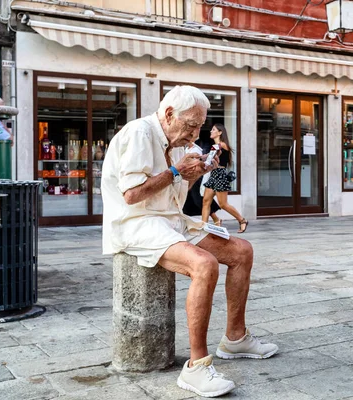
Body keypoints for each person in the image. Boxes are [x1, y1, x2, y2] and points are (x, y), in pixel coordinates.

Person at [101, 85, 278, 398]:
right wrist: (174, 171)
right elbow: (131, 195)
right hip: (135, 223)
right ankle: (197, 366)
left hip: (170, 221)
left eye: (200, 126)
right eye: (191, 126)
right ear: (169, 115)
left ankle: (235, 338)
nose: (196, 133)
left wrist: (197, 172)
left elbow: (176, 191)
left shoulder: (179, 141)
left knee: (242, 251)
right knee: (204, 264)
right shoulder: (139, 133)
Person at [201, 124, 248, 233]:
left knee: (223, 204)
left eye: (213, 130)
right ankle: (203, 227)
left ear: (220, 132)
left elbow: (214, 153)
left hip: (220, 175)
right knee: (206, 201)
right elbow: (208, 157)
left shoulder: (221, 145)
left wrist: (207, 157)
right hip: (213, 175)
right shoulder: (216, 146)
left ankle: (242, 220)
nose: (210, 131)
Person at [183, 141, 222, 225]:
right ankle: (212, 220)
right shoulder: (186, 149)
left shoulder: (196, 149)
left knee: (200, 200)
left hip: (196, 177)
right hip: (188, 177)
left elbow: (198, 162)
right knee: (194, 200)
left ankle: (212, 220)